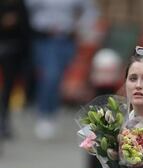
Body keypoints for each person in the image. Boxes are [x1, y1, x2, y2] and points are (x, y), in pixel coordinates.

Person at [25, 0, 98, 140]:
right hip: (45, 38)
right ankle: (45, 112)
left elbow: (90, 10)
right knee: (50, 75)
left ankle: (53, 109)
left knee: (59, 77)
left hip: (67, 39)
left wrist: (81, 26)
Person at [0, 0, 30, 138]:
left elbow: (25, 27)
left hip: (13, 51)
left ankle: (4, 121)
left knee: (8, 89)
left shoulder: (18, 4)